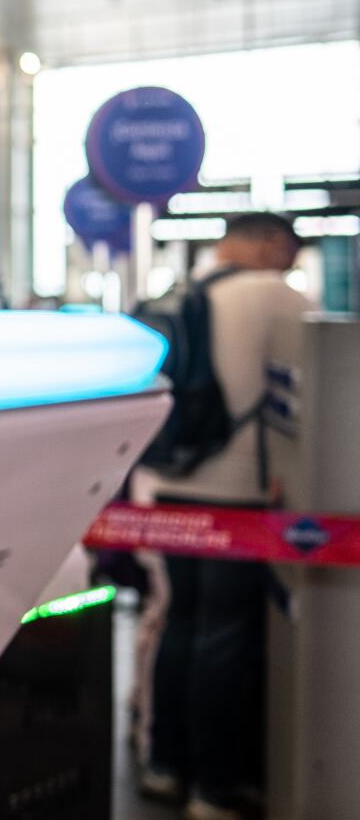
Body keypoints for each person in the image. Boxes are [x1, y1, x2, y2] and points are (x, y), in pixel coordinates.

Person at [141, 213, 310, 820]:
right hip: (238, 497)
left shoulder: (180, 292)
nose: (289, 262)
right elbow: (311, 390)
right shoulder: (278, 296)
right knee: (227, 636)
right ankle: (214, 789)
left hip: (170, 485)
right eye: (288, 250)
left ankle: (164, 765)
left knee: (181, 624)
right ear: (269, 242)